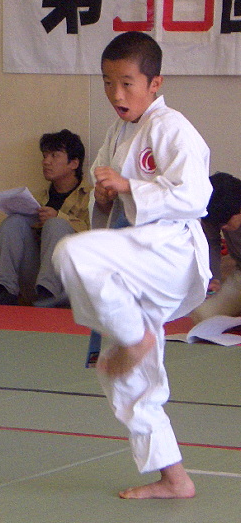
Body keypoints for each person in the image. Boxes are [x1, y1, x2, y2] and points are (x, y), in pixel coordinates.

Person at [53, 31, 211, 499]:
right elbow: (106, 197)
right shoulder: (117, 132)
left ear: (155, 83)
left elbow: (197, 195)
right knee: (117, 372)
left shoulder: (172, 127)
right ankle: (173, 478)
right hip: (136, 256)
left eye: (127, 83)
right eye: (107, 82)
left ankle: (134, 335)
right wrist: (105, 195)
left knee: (71, 252)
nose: (116, 94)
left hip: (170, 253)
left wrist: (128, 187)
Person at [0, 129, 90, 307]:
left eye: (54, 155)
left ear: (74, 163)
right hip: (36, 278)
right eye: (45, 156)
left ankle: (50, 295)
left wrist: (59, 217)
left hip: (73, 282)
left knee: (55, 224)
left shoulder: (91, 197)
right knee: (13, 223)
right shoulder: (37, 198)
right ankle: (5, 292)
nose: (46, 162)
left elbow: (98, 237)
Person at [188, 172, 241, 324]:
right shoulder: (214, 214)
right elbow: (211, 243)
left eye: (225, 222)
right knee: (203, 316)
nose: (223, 227)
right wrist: (213, 278)